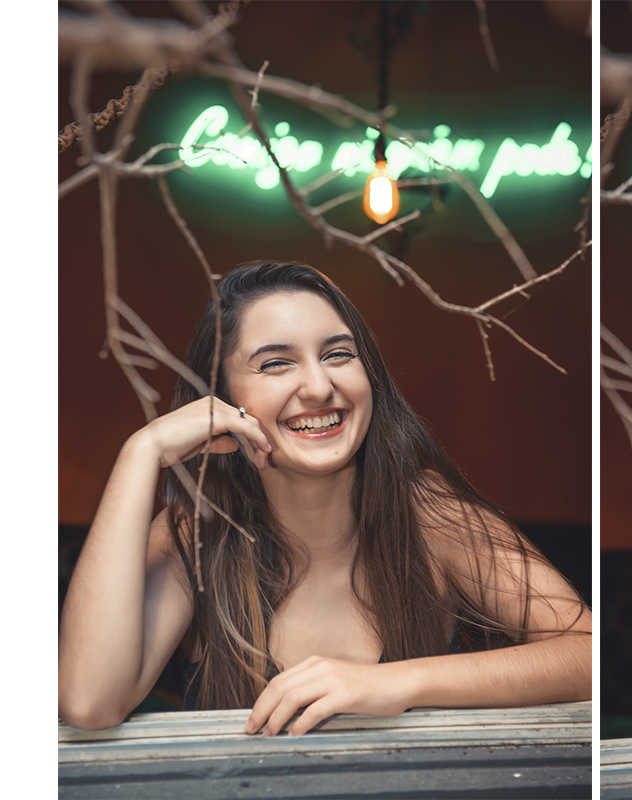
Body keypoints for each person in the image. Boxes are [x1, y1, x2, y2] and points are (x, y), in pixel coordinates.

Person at [59, 261, 591, 735]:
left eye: (338, 354)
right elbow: (88, 703)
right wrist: (141, 451)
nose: (318, 386)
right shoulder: (195, 533)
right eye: (275, 364)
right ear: (220, 399)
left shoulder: (429, 516)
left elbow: (588, 657)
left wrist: (392, 685)